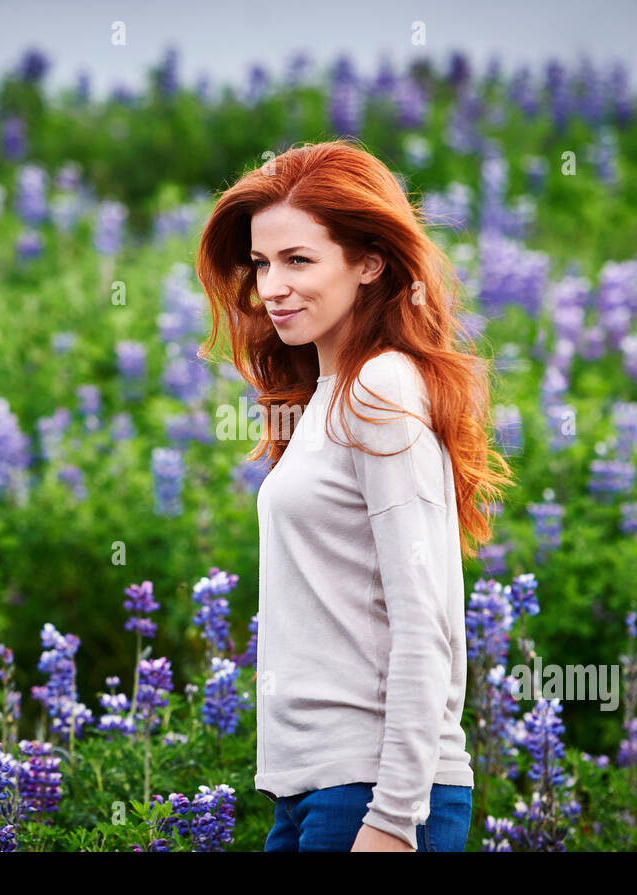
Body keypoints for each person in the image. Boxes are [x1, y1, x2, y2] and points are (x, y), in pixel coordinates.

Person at [195, 139, 513, 852]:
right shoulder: (324, 401)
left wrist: (395, 818)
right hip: (313, 791)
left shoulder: (382, 388)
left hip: (375, 792)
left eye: (299, 260)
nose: (271, 285)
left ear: (370, 262)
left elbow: (423, 615)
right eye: (262, 262)